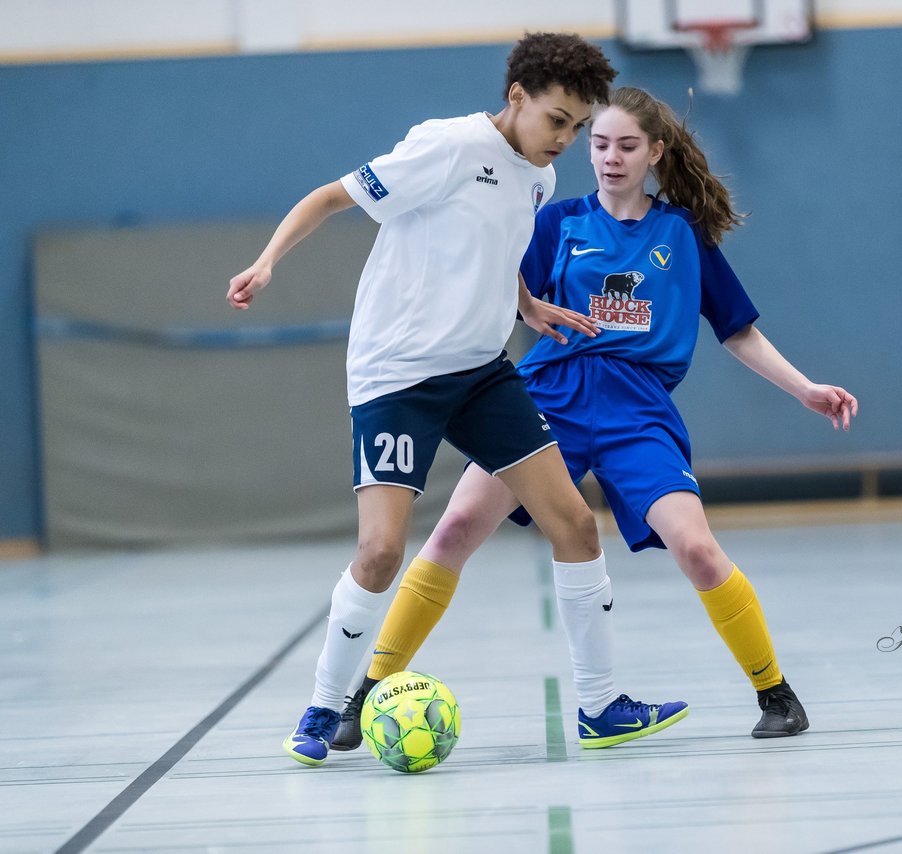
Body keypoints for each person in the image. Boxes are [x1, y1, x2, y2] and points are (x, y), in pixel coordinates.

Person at [331, 86, 857, 750]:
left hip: (638, 411)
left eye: (626, 146)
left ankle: (776, 692)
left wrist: (804, 387)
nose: (609, 157)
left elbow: (737, 330)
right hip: (548, 397)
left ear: (655, 152)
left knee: (695, 547)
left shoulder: (681, 236)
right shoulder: (556, 222)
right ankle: (366, 692)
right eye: (599, 143)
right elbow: (494, 281)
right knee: (455, 528)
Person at [227, 35, 685, 768]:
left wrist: (528, 305)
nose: (566, 140)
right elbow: (329, 197)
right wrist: (266, 261)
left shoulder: (537, 177)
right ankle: (321, 708)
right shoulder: (446, 148)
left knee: (574, 524)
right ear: (516, 99)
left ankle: (600, 708)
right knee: (379, 553)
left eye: (576, 126)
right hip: (398, 377)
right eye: (557, 120)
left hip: (480, 372)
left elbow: (491, 253)